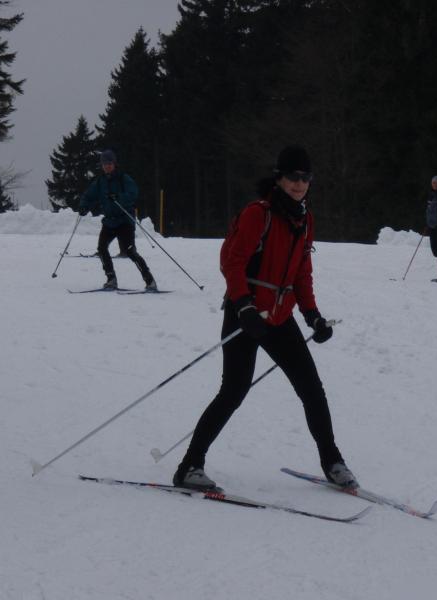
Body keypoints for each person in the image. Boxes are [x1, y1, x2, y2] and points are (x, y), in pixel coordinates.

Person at [172, 145, 358, 491]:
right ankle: (189, 466)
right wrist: (244, 306)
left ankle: (333, 461)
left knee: (312, 389)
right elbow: (232, 262)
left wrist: (313, 316)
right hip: (246, 315)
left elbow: (302, 273)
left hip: (279, 317)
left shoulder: (305, 220)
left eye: (305, 178)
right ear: (279, 178)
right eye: (293, 177)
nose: (299, 184)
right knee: (234, 390)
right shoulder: (259, 214)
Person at [78, 150, 157, 291]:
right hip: (109, 222)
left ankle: (150, 281)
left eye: (109, 163)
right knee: (102, 249)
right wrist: (83, 206)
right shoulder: (100, 182)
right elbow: (88, 195)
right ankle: (111, 279)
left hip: (124, 221)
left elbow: (133, 193)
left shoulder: (123, 178)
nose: (107, 166)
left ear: (114, 164)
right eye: (104, 164)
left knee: (130, 252)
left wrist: (118, 197)